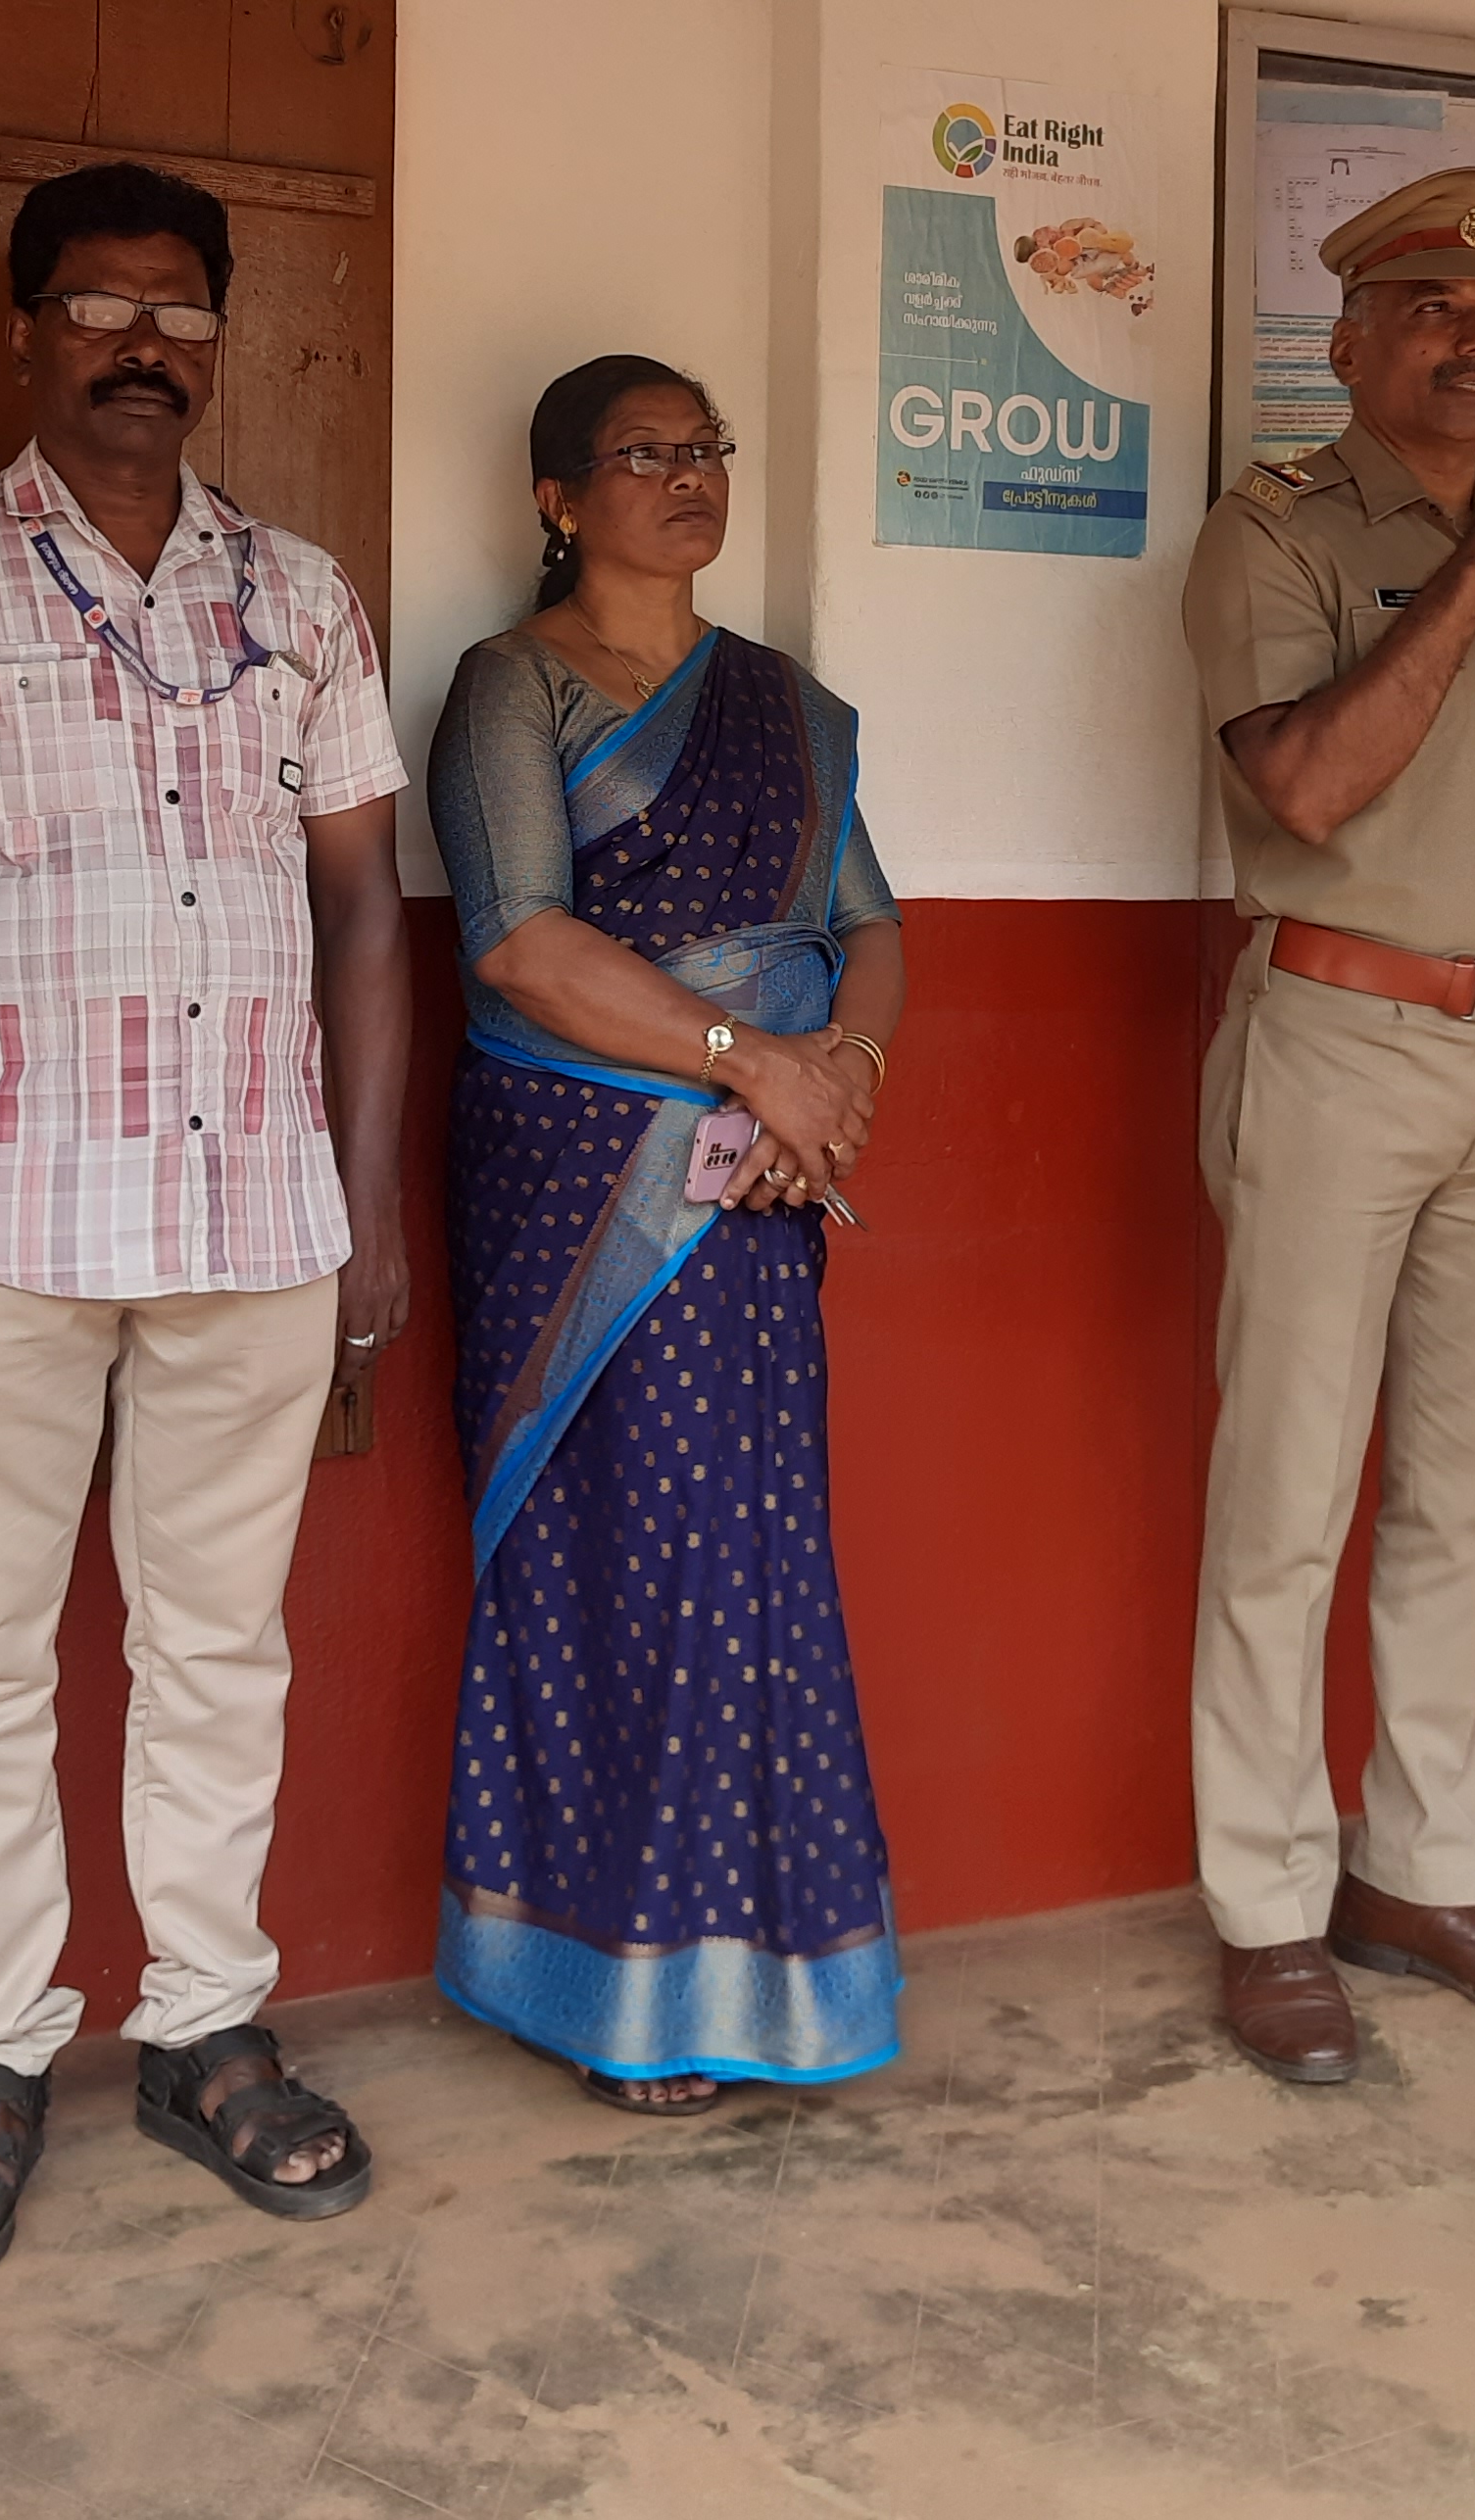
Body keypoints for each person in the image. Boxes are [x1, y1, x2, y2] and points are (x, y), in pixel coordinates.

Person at [0, 159, 412, 2280]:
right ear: (26, 332)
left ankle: (204, 2025)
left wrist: (366, 1201)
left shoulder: (302, 597)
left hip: (254, 1210)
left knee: (218, 1645)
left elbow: (362, 913)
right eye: (97, 306)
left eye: (177, 311)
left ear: (217, 340)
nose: (142, 344)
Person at [1177, 164, 1475, 2087]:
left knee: (1473, 1497)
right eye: (1433, 309)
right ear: (1348, 343)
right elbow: (1304, 790)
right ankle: (1269, 1910)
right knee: (1285, 1503)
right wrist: (1471, 575)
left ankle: (1425, 1876)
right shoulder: (1274, 531)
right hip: (1345, 1041)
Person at [423, 356, 907, 2110]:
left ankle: (770, 1976)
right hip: (579, 1193)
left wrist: (835, 1082)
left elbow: (869, 927)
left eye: (705, 448)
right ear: (559, 498)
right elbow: (519, 942)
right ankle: (610, 1983)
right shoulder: (514, 687)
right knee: (618, 1559)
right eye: (643, 453)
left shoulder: (785, 703)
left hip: (767, 1180)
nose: (688, 476)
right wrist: (752, 1064)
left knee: (754, 1563)